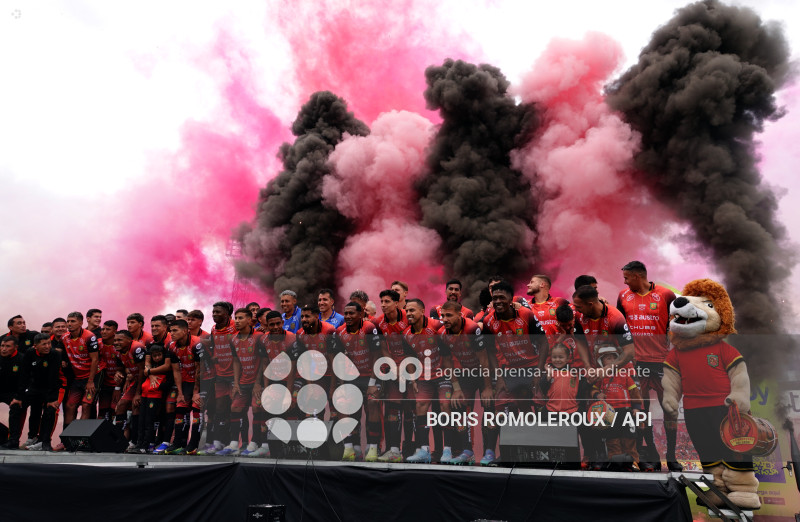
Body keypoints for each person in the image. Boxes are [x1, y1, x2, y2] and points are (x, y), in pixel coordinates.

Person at [616, 260, 679, 472]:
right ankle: (651, 452)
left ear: (637, 275)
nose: (624, 282)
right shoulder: (623, 296)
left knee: (669, 409)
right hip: (637, 364)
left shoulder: (666, 294)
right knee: (641, 411)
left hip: (662, 362)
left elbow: (680, 321)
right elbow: (618, 325)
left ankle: (671, 455)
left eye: (626, 277)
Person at [482, 281, 548, 465]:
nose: (498, 301)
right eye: (494, 298)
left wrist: (538, 372)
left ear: (511, 299)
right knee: (504, 410)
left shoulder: (526, 315)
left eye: (502, 297)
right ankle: (508, 452)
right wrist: (500, 377)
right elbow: (490, 351)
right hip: (510, 370)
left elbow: (544, 343)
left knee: (539, 409)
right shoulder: (489, 321)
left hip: (532, 367)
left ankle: (541, 451)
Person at [439, 301, 494, 465]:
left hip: (484, 372)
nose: (444, 319)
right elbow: (448, 362)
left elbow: (484, 360)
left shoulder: (472, 328)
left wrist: (488, 387)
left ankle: (489, 451)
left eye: (449, 315)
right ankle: (467, 450)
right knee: (458, 406)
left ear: (459, 315)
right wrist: (456, 388)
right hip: (465, 373)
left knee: (490, 407)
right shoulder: (442, 333)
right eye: (442, 315)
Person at [403, 298, 454, 464]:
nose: (409, 313)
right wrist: (413, 379)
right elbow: (410, 358)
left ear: (422, 311)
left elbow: (450, 347)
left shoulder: (437, 326)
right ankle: (424, 450)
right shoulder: (406, 334)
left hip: (443, 374)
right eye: (407, 311)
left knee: (446, 405)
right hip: (424, 376)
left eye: (412, 310)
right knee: (420, 406)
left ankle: (448, 450)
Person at [332, 302, 383, 461]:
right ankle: (349, 449)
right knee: (344, 406)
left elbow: (378, 356)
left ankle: (373, 449)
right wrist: (341, 384)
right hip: (351, 377)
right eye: (345, 313)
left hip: (371, 376)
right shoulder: (339, 332)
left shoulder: (369, 328)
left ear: (361, 315)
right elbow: (338, 360)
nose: (347, 316)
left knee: (373, 404)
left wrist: (373, 383)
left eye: (351, 313)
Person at [251, 310, 300, 458]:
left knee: (291, 408)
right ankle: (271, 448)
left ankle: (292, 448)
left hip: (294, 379)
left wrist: (289, 395)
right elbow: (265, 364)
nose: (276, 327)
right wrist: (266, 388)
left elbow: (292, 369)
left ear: (283, 323)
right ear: (267, 325)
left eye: (278, 323)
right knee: (269, 408)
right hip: (275, 378)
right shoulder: (263, 340)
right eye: (272, 324)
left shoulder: (292, 339)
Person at [591, 346, 643, 471]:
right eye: (608, 358)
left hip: (626, 411)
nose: (612, 360)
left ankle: (634, 463)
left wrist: (636, 408)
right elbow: (593, 389)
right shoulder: (601, 376)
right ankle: (615, 463)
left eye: (615, 358)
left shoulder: (625, 375)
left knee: (630, 439)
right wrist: (598, 395)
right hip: (609, 413)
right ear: (601, 362)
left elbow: (635, 392)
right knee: (612, 440)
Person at [219, 308, 263, 456]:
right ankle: (233, 444)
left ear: (250, 320)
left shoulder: (259, 337)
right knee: (235, 409)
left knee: (257, 409)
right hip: (243, 381)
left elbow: (264, 361)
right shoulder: (233, 339)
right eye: (236, 318)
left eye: (241, 318)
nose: (237, 321)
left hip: (258, 381)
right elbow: (236, 361)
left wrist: (258, 383)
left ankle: (255, 443)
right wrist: (236, 382)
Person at [374, 290, 410, 463]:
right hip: (393, 371)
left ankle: (416, 449)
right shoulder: (378, 322)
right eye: (381, 301)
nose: (383, 305)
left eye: (387, 301)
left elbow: (415, 346)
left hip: (413, 369)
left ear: (397, 303)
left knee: (413, 411)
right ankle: (393, 449)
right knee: (392, 409)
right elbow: (382, 348)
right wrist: (394, 369)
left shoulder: (408, 318)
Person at [12, 334, 64, 452]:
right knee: (25, 409)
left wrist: (51, 399)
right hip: (34, 387)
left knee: (50, 411)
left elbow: (53, 377)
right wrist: (19, 396)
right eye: (44, 344)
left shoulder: (55, 354)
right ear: (35, 346)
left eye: (49, 343)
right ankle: (22, 439)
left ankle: (45, 441)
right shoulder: (30, 353)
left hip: (51, 387)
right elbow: (24, 375)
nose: (47, 346)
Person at [198, 302, 237, 455]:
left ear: (227, 314)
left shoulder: (235, 326)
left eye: (218, 312)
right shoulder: (213, 329)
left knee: (235, 410)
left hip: (235, 375)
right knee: (220, 410)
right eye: (213, 312)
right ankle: (218, 443)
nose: (214, 314)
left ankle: (238, 444)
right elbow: (214, 345)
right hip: (220, 375)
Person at [163, 320, 205, 455]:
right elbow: (176, 371)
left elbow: (200, 369)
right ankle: (178, 444)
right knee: (180, 410)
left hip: (204, 381)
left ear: (186, 331)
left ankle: (193, 445)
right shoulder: (171, 346)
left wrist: (196, 392)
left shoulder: (197, 344)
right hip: (186, 382)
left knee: (196, 409)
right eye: (171, 330)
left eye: (175, 330)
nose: (171, 333)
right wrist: (180, 392)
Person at [572, 285, 635, 368]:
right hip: (595, 370)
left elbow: (629, 351)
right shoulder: (579, 315)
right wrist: (588, 367)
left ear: (590, 304)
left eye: (578, 307)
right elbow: (580, 341)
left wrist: (606, 369)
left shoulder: (615, 317)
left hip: (618, 370)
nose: (575, 309)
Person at [62, 311, 103, 427]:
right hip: (78, 377)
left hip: (93, 376)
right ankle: (67, 440)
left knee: (86, 405)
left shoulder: (90, 337)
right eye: (68, 321)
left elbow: (95, 360)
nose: (69, 324)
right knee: (70, 405)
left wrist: (90, 381)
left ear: (81, 323)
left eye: (73, 321)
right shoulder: (64, 337)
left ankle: (80, 439)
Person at [133, 344, 171, 453]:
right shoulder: (149, 365)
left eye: (159, 355)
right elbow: (145, 372)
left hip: (155, 396)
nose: (157, 358)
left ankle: (145, 446)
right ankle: (139, 444)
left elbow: (168, 382)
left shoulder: (165, 367)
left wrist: (159, 386)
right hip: (145, 395)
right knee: (142, 421)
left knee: (149, 422)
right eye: (155, 356)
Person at [114, 330, 146, 450]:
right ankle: (118, 440)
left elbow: (142, 371)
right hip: (135, 380)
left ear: (129, 340)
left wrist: (138, 394)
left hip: (146, 380)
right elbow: (120, 368)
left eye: (119, 340)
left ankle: (134, 440)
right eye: (115, 340)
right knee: (121, 406)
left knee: (135, 406)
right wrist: (118, 373)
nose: (116, 342)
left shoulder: (137, 348)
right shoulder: (118, 351)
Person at [0, 337, 26, 449]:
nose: (4, 349)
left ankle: (13, 441)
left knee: (15, 407)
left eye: (7, 346)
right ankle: (3, 432)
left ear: (15, 347)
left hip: (16, 392)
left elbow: (25, 381)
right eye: (2, 346)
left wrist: (18, 397)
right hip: (1, 390)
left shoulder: (22, 359)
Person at [98, 320, 122, 424]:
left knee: (114, 411)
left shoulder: (120, 345)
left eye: (108, 329)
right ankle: (100, 436)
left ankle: (114, 437)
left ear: (114, 332)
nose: (104, 331)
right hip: (104, 384)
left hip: (117, 385)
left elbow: (124, 367)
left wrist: (118, 387)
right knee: (102, 412)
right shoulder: (98, 344)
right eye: (103, 329)